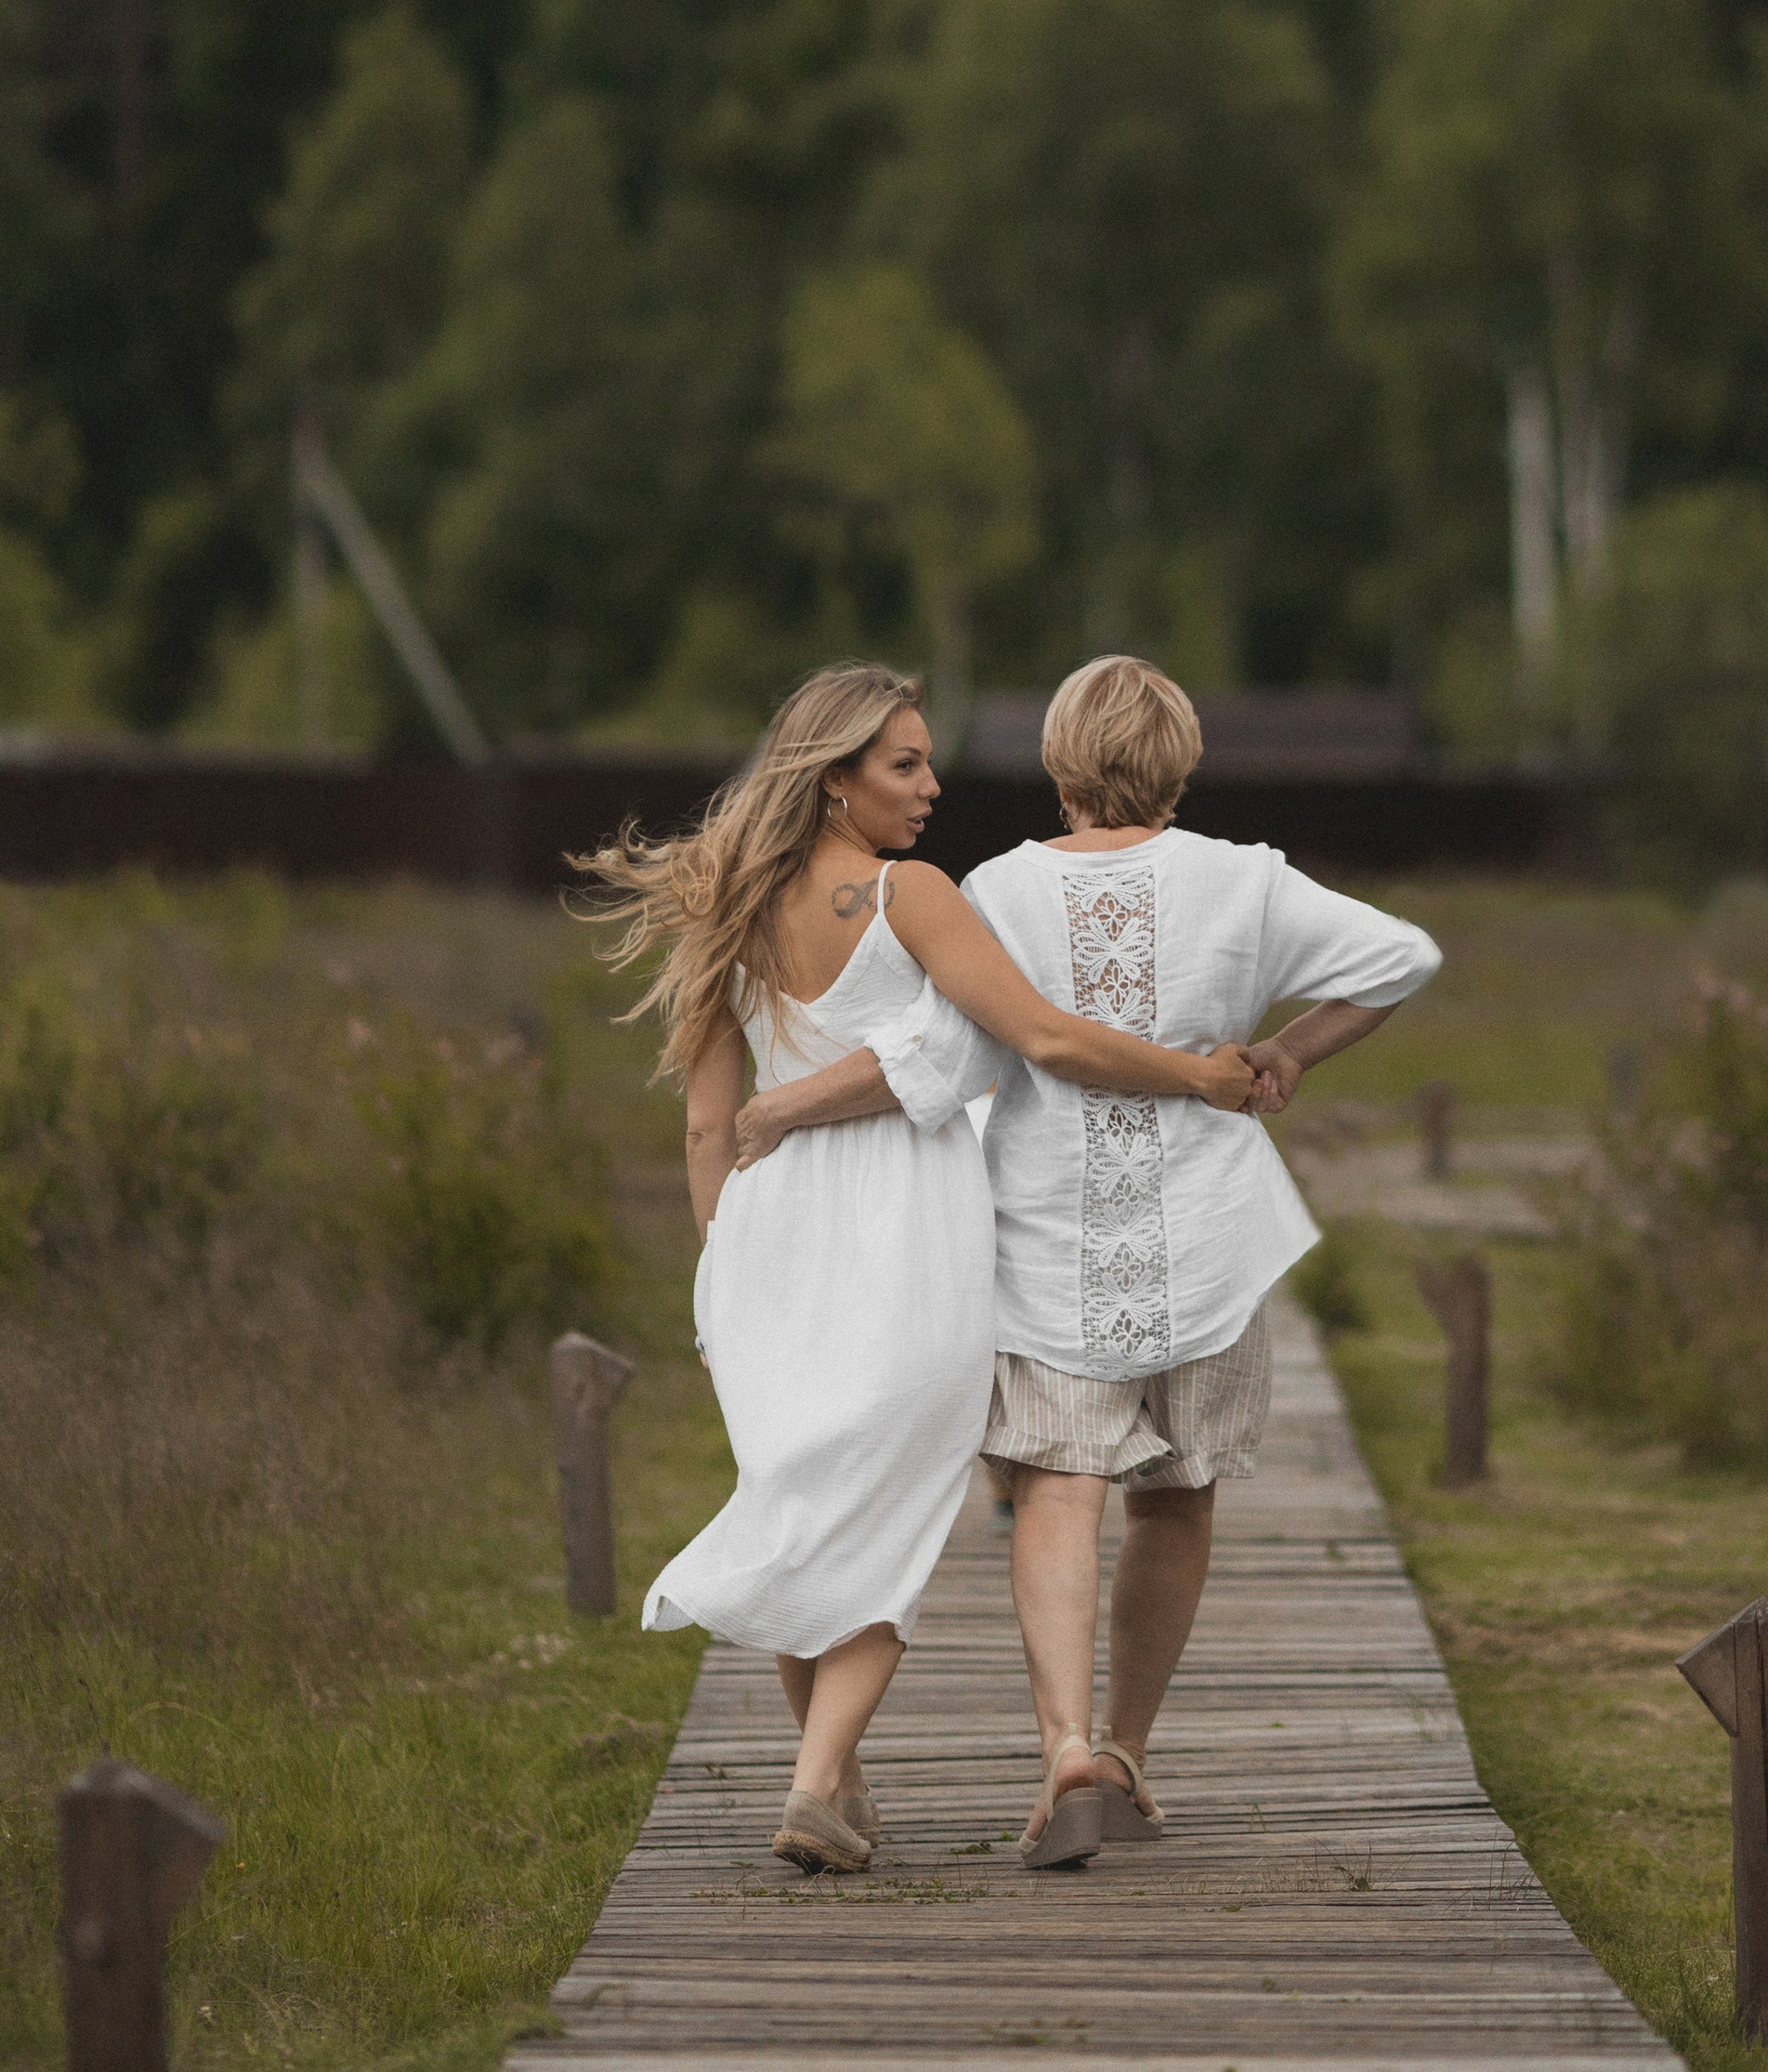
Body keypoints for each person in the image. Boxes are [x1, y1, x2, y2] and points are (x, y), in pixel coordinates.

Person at [577, 663, 1257, 1877]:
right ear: (835, 781)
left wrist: (721, 1275)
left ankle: (837, 1778)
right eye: (904, 764)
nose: (933, 786)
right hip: (903, 1243)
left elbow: (704, 1126)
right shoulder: (913, 896)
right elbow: (1041, 1035)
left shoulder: (726, 905)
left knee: (811, 1503)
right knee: (886, 1519)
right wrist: (1198, 1077)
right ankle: (812, 1781)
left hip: (766, 1238)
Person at [960, 655, 1442, 1869]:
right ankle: (1123, 1749)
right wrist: (1288, 1050)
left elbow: (957, 1059)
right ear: (1183, 762)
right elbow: (1402, 958)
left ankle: (1064, 1742)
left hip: (1046, 1242)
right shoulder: (1248, 883)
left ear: (1059, 760)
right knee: (1174, 1500)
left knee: (1057, 1489)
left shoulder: (995, 891)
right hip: (1209, 1250)